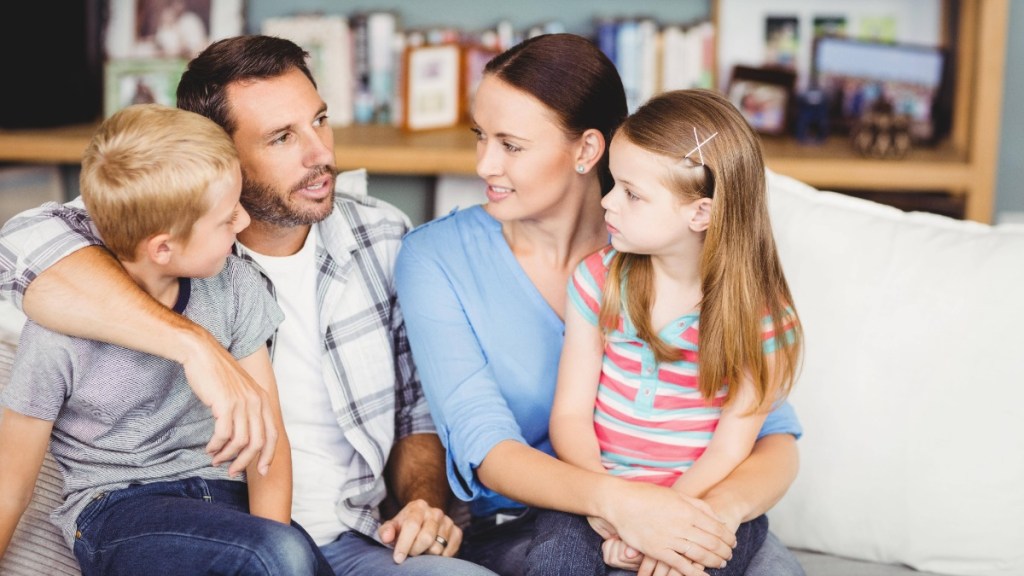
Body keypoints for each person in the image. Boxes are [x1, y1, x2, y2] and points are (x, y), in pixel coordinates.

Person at [0, 36, 493, 576]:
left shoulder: (382, 236)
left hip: (347, 536)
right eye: (282, 137)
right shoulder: (154, 225)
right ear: (216, 154)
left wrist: (425, 502)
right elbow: (22, 248)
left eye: (320, 120)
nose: (322, 153)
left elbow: (413, 411)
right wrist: (194, 347)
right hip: (180, 526)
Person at [394, 33, 805, 576]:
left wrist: (701, 519)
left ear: (588, 150)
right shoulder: (435, 258)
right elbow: (486, 448)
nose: (484, 165)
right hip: (534, 521)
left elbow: (770, 439)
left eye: (511, 145)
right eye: (480, 137)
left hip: (697, 505)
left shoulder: (662, 247)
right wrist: (622, 508)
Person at [0, 103, 330, 575]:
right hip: (118, 512)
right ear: (163, 248)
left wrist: (275, 538)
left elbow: (267, 446)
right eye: (224, 218)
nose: (242, 222)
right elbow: (10, 487)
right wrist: (274, 551)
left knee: (288, 556)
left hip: (228, 504)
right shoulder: (55, 335)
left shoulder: (236, 287)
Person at [530, 89, 803, 576]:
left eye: (633, 194)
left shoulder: (764, 319)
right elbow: (570, 415)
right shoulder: (597, 280)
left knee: (697, 563)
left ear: (700, 213)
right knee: (555, 561)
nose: (608, 201)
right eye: (614, 182)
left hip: (700, 499)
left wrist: (665, 521)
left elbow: (730, 448)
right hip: (600, 491)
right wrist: (611, 512)